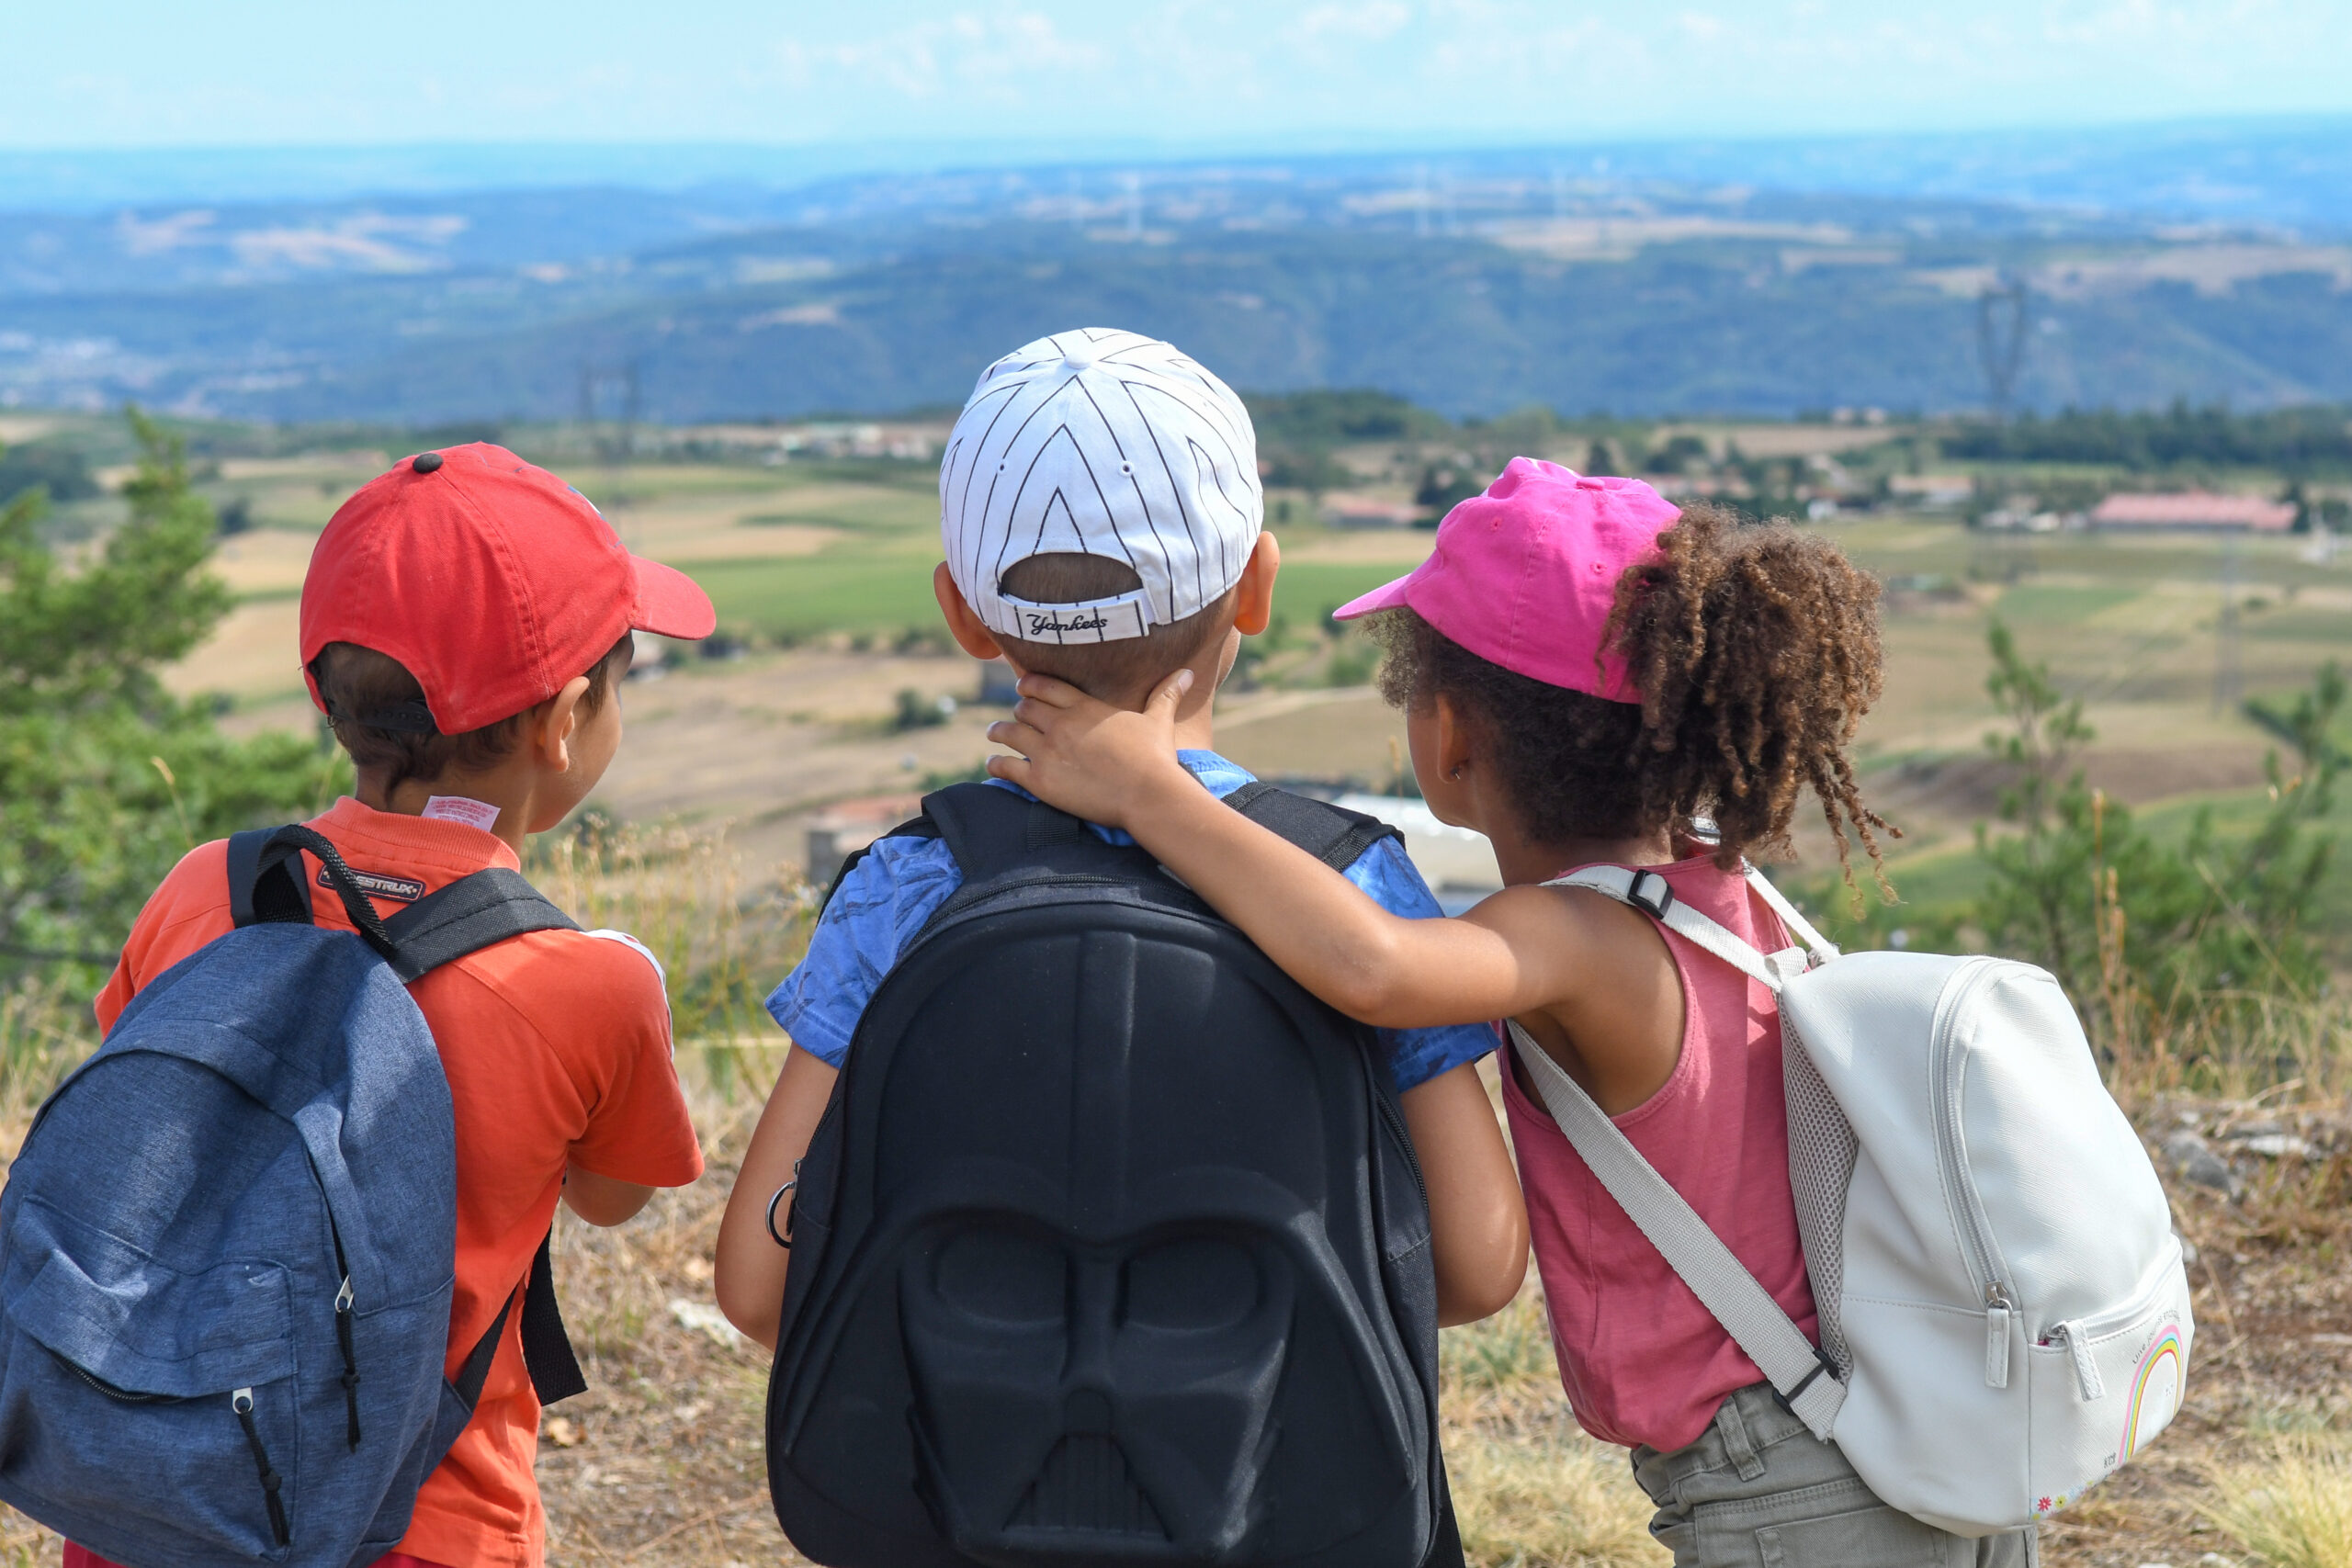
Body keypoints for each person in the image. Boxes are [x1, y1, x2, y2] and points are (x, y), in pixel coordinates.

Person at [981, 457, 2039, 1566]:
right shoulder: (1716, 896)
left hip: (1790, 1474)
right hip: (1900, 1431)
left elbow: (1377, 969)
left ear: (1448, 741)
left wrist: (1147, 791)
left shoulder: (1573, 937)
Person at [714, 327, 1528, 1349]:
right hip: (1276, 1476)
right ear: (1257, 587)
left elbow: (757, 1288)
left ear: (963, 615)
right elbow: (1478, 1263)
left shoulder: (906, 886)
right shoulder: (1350, 878)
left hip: (953, 1482)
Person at [75, 444, 716, 1568]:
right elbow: (612, 1197)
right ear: (566, 720)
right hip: (420, 1525)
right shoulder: (587, 982)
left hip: (156, 1499)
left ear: (332, 699)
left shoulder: (202, 888)